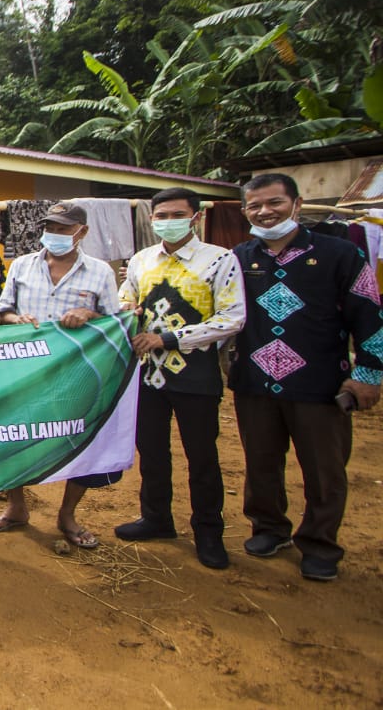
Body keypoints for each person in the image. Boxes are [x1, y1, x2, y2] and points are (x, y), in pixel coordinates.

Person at [230, 173, 382, 581]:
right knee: (261, 463)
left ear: (296, 204)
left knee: (324, 469)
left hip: (320, 384)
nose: (265, 212)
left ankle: (319, 543)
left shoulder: (340, 254)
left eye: (274, 202)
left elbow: (369, 314)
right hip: (254, 383)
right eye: (254, 205)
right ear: (245, 211)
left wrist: (369, 374)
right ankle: (269, 529)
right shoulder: (239, 258)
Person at [112, 188, 245, 569]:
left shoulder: (220, 261)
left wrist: (168, 338)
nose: (168, 222)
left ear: (196, 217)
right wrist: (127, 309)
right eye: (161, 216)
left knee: (202, 456)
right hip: (146, 375)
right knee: (152, 452)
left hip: (196, 374)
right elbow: (127, 296)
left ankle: (208, 532)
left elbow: (231, 318)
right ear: (152, 220)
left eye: (176, 214)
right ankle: (156, 518)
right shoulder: (140, 260)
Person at [0, 201, 122, 549]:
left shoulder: (100, 272)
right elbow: (4, 312)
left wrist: (89, 313)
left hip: (76, 372)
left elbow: (114, 323)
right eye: (50, 228)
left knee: (77, 435)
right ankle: (16, 507)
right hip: (25, 370)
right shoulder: (22, 266)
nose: (54, 235)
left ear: (82, 232)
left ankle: (68, 514)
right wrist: (19, 320)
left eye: (63, 228)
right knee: (14, 434)